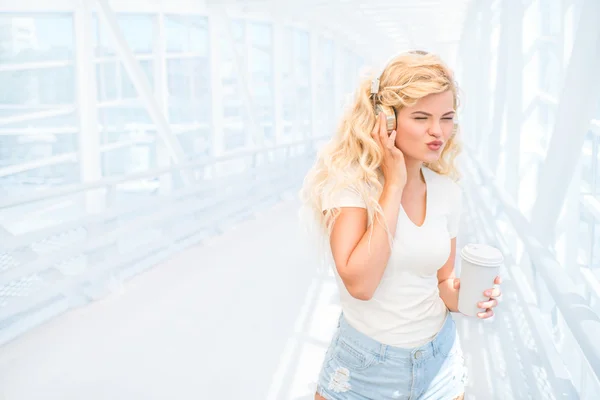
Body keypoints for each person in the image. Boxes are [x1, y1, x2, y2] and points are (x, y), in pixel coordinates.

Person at [299, 51, 502, 400]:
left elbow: (441, 283)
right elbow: (360, 283)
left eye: (447, 118)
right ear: (387, 121)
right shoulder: (351, 188)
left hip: (440, 364)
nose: (437, 132)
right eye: (421, 117)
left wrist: (470, 296)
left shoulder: (448, 192)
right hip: (364, 370)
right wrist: (393, 184)